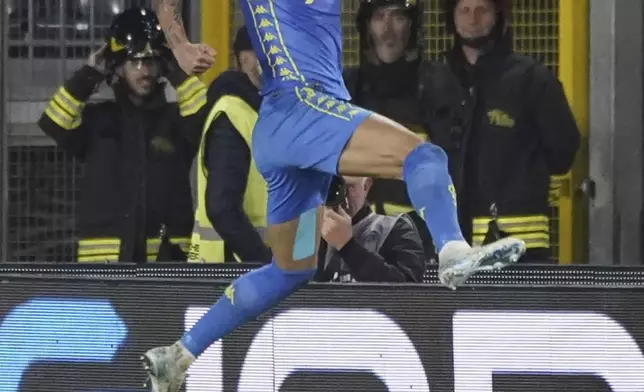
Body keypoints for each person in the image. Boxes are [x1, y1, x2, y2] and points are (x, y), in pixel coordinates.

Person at [142, 1, 525, 391]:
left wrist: (179, 43)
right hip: (307, 112)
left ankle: (180, 353)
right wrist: (177, 44)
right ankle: (453, 250)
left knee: (292, 268)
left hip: (280, 133)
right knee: (423, 155)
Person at [38, 7, 207, 263]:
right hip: (104, 260)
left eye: (150, 62)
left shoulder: (175, 120)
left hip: (166, 259)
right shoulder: (98, 120)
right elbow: (54, 122)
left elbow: (205, 117)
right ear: (117, 67)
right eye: (135, 62)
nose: (145, 71)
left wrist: (174, 67)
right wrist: (89, 75)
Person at [422, 0, 580, 262]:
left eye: (482, 10)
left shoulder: (532, 79)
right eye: (464, 10)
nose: (473, 19)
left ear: (498, 15)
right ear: (452, 17)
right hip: (450, 242)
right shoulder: (433, 81)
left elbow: (563, 151)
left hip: (520, 243)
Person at [343, 0, 435, 259]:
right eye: (379, 17)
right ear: (367, 26)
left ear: (412, 26)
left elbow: (453, 172)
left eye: (397, 17)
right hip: (351, 239)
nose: (387, 29)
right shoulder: (348, 88)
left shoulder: (436, 86)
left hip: (418, 244)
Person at [188, 26, 271, 263]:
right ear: (244, 59)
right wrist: (265, 265)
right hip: (231, 274)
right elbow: (222, 209)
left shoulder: (273, 112)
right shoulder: (232, 114)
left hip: (274, 272)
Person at [316, 176, 426, 282]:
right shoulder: (312, 227)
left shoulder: (395, 227)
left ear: (366, 186)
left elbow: (410, 291)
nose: (340, 196)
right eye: (333, 188)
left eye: (349, 187)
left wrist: (347, 246)